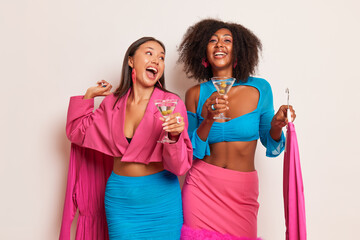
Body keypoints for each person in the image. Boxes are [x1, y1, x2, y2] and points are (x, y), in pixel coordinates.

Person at [177, 19, 296, 239]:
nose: (219, 44)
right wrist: (208, 118)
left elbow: (269, 141)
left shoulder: (260, 88)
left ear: (238, 50)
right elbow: (191, 151)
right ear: (204, 52)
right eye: (212, 40)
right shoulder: (195, 94)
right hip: (201, 187)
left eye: (227, 40)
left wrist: (277, 125)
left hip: (242, 191)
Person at [65, 37, 193, 239]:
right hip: (120, 200)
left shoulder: (171, 103)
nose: (157, 61)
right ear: (131, 61)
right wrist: (89, 96)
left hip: (161, 200)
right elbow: (77, 132)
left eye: (161, 57)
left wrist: (175, 136)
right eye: (149, 53)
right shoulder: (112, 103)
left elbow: (179, 167)